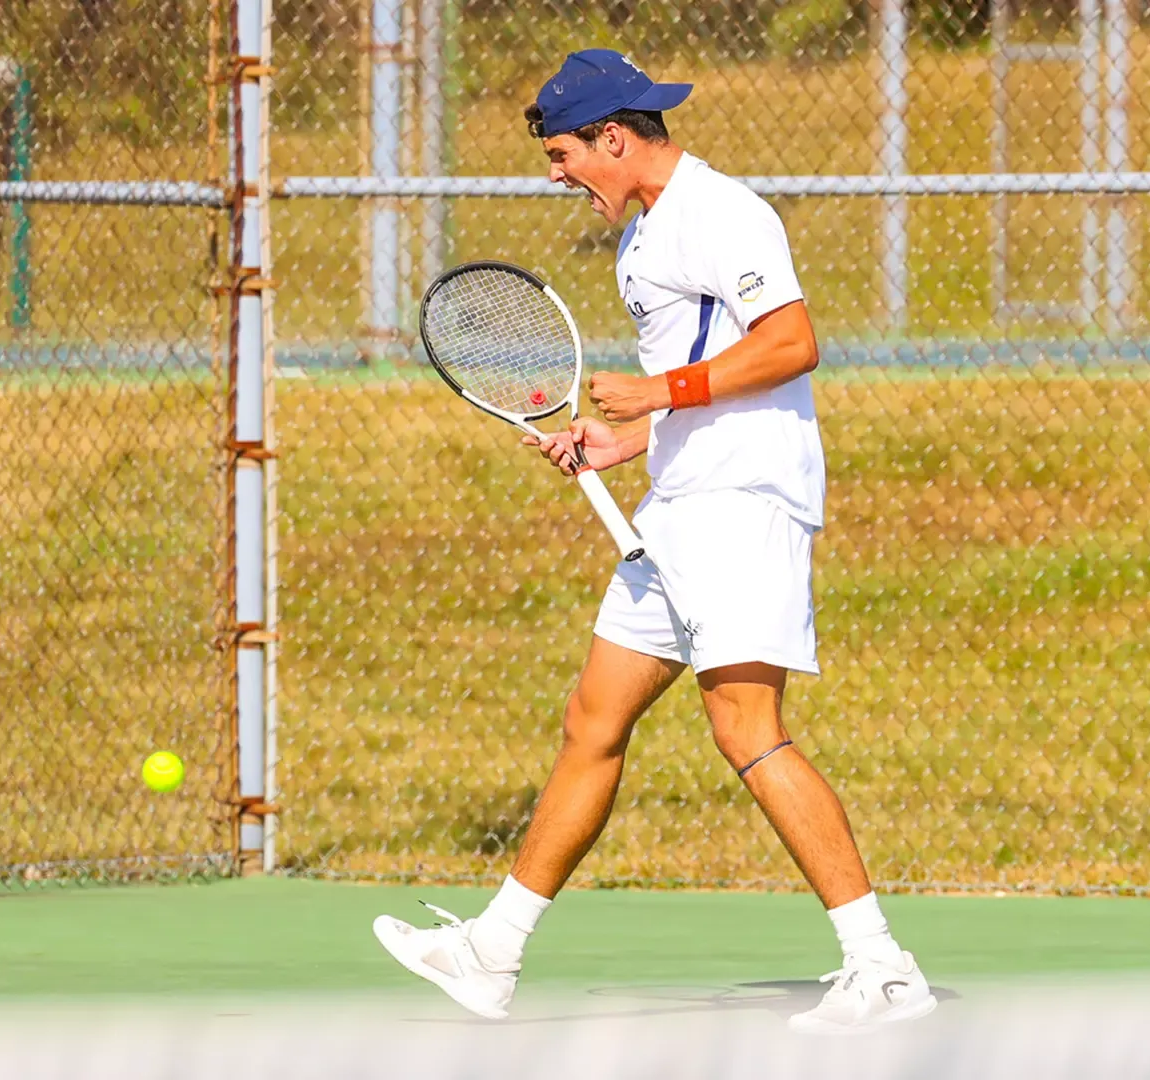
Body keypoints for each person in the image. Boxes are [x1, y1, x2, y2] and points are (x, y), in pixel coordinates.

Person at [373, 48, 935, 1034]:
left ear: (614, 138)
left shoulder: (721, 213)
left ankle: (882, 969)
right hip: (680, 503)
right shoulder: (640, 240)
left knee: (746, 729)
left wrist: (657, 394)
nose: (556, 176)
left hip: (742, 503)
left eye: (561, 156)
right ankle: (490, 955)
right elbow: (708, 376)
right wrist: (625, 438)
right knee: (593, 719)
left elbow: (793, 341)